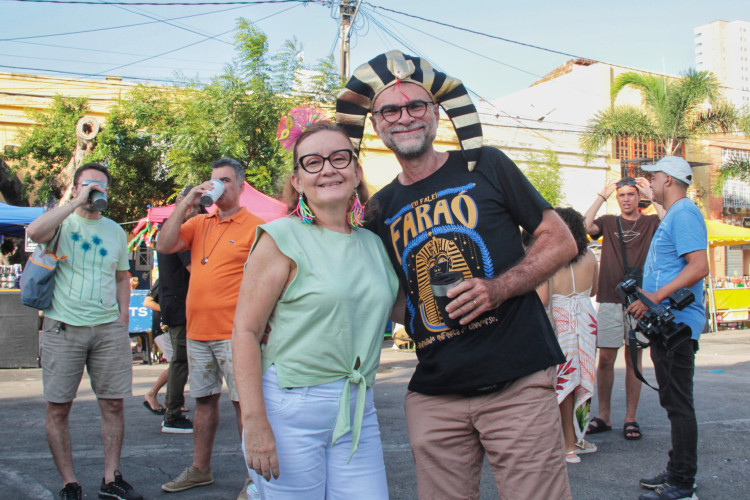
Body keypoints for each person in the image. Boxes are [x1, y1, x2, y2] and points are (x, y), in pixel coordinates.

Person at [337, 50, 577, 500]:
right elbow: (384, 291)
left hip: (517, 383)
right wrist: (417, 312)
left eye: (416, 106)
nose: (403, 117)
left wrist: (498, 288)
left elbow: (559, 238)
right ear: (375, 123)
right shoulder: (380, 209)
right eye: (390, 109)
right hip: (435, 395)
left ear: (436, 114)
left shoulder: (485, 165)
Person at [233, 120, 399, 498]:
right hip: (291, 408)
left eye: (339, 158)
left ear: (356, 172)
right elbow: (244, 332)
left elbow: (401, 311)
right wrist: (254, 422)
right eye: (312, 162)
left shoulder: (373, 243)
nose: (327, 168)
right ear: (297, 180)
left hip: (358, 406)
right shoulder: (282, 237)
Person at [26, 162, 143, 500]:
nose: (95, 190)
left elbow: (122, 277)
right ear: (77, 188)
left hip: (107, 329)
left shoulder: (116, 232)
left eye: (100, 185)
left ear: (108, 190)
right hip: (63, 327)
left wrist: (122, 320)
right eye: (88, 184)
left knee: (114, 405)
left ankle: (111, 478)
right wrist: (76, 202)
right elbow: (34, 233)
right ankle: (69, 482)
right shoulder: (62, 224)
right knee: (59, 407)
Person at [156, 158, 263, 497]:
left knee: (243, 405)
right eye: (215, 180)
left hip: (236, 335)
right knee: (203, 402)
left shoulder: (257, 227)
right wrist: (187, 202)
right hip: (197, 333)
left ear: (241, 186)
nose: (219, 185)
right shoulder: (199, 222)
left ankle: (254, 480)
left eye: (226, 180)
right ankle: (200, 469)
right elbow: (164, 244)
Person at [627, 157, 708, 500]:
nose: (650, 182)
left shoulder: (685, 212)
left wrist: (653, 297)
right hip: (666, 324)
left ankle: (682, 483)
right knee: (673, 401)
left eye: (654, 177)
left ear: (670, 180)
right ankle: (677, 471)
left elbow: (699, 266)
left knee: (678, 404)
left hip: (676, 325)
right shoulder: (674, 214)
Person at [583, 175, 662, 440]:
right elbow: (584, 225)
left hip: (640, 301)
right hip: (609, 297)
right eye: (622, 196)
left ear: (639, 198)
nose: (626, 199)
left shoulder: (650, 221)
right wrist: (601, 197)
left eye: (631, 194)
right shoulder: (608, 222)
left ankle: (631, 418)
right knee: (605, 359)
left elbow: (669, 221)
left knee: (633, 359)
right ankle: (603, 415)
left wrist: (651, 191)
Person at [537, 208, 599, 464]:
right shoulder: (591, 257)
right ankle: (577, 437)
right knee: (583, 378)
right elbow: (593, 290)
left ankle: (567, 447)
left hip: (561, 322)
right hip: (585, 319)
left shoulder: (550, 258)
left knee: (563, 381)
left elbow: (542, 299)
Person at [157, 185, 205, 434]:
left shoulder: (168, 227)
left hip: (175, 302)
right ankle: (172, 413)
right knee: (181, 360)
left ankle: (171, 407)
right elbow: (195, 271)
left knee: (182, 359)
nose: (198, 213)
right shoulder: (180, 231)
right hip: (181, 304)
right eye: (196, 206)